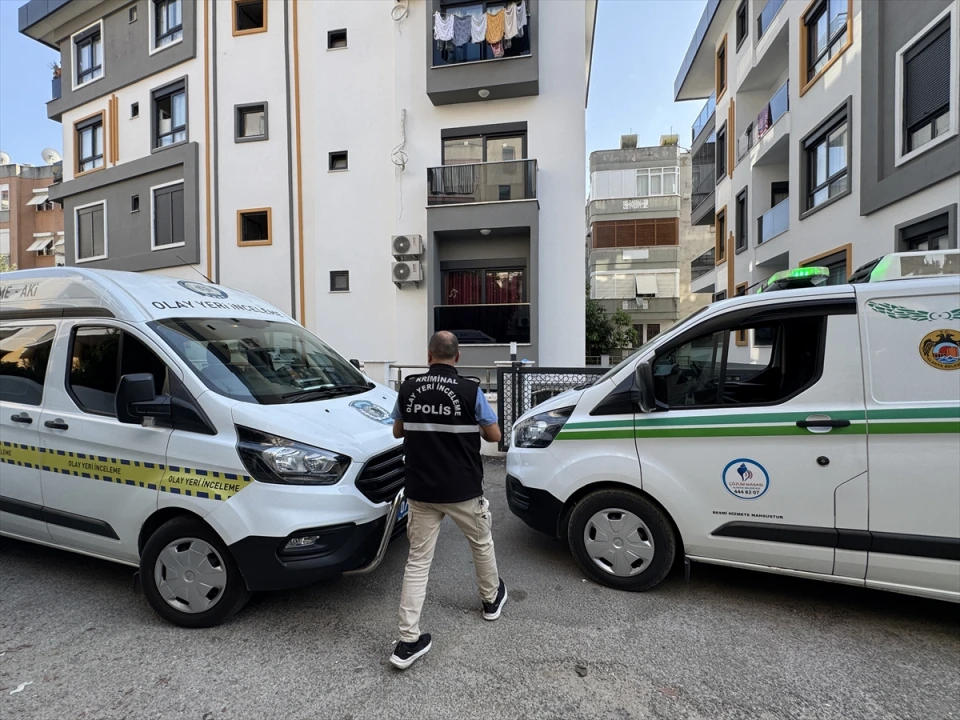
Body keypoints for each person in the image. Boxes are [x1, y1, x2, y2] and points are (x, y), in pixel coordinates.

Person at [388, 331, 507, 670]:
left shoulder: (408, 388)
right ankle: (490, 601)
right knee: (481, 544)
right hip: (463, 489)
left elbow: (398, 431)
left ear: (429, 356)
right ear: (457, 357)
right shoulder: (470, 390)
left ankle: (407, 641)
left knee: (418, 561)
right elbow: (494, 435)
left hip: (421, 489)